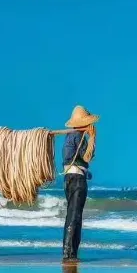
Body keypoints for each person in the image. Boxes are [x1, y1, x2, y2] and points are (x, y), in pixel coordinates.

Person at [61, 105, 99, 262]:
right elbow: (87, 157)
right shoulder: (79, 136)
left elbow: (74, 159)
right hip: (77, 180)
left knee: (72, 214)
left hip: (69, 178)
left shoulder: (69, 136)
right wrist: (92, 138)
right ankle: (69, 254)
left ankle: (70, 252)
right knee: (75, 216)